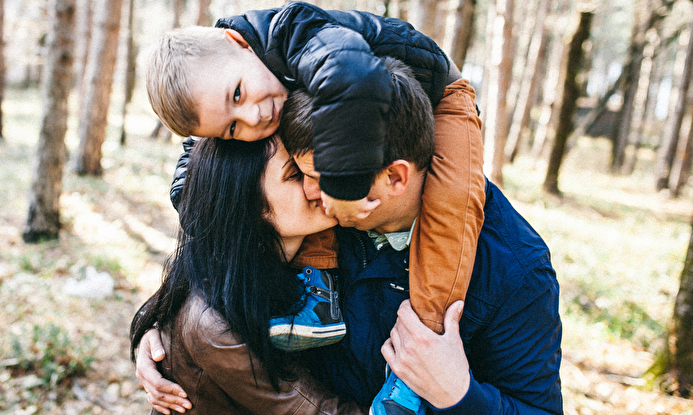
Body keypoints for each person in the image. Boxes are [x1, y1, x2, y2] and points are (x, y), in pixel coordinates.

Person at [138, 59, 563, 415]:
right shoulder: (322, 202)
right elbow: (221, 172)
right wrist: (162, 329)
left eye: (322, 178)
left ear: (394, 178)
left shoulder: (513, 269)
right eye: (299, 172)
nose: (312, 191)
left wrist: (460, 395)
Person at [130, 134, 364, 414]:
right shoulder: (216, 323)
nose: (318, 184)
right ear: (251, 206)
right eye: (295, 174)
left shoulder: (290, 268)